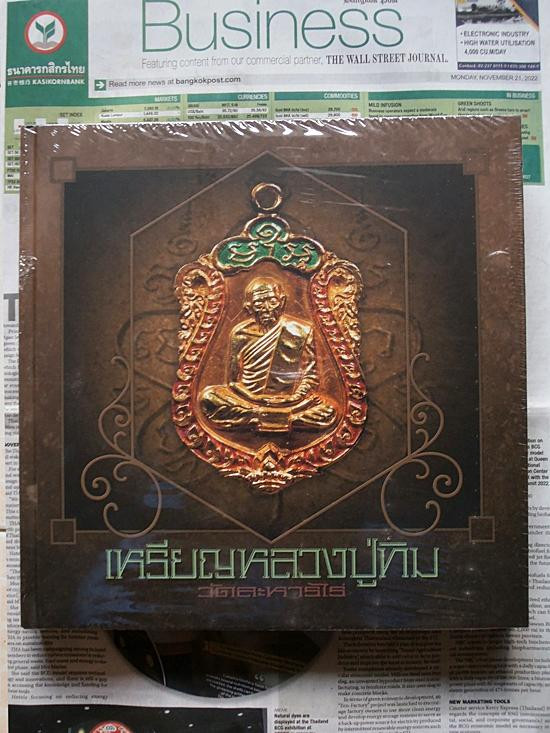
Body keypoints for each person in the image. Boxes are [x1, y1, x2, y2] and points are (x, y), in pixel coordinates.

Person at [200, 276, 337, 433]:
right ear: (249, 307)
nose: (266, 308)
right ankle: (287, 419)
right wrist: (256, 399)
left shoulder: (300, 331)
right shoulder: (240, 334)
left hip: (290, 402)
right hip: (249, 401)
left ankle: (262, 418)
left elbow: (310, 377)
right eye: (259, 303)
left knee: (329, 409)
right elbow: (233, 382)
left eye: (272, 301)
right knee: (209, 398)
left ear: (282, 302)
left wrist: (294, 398)